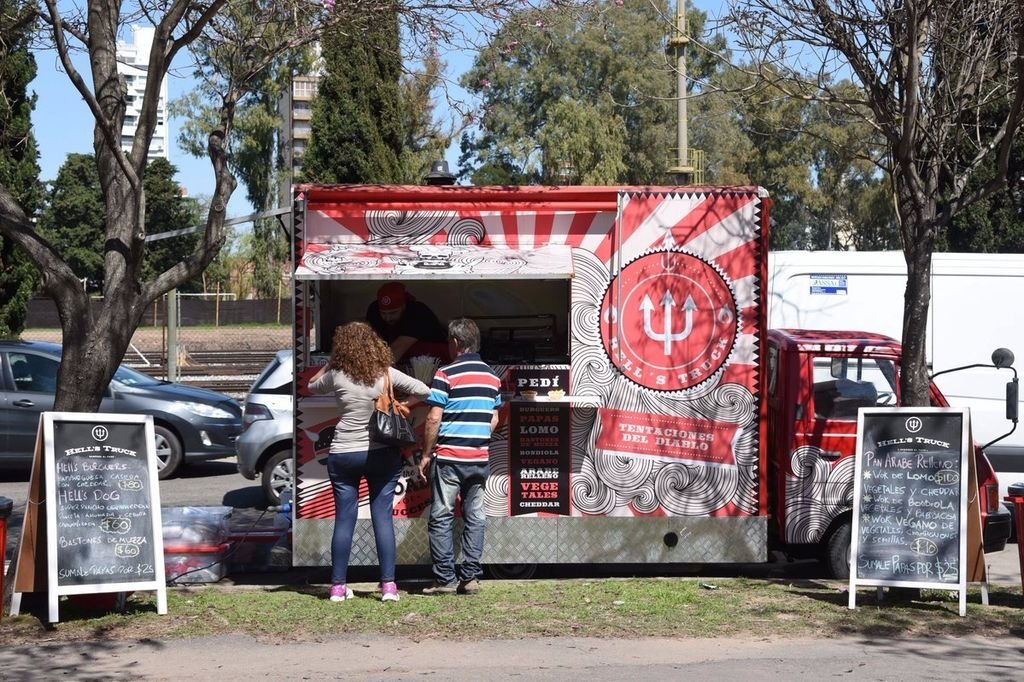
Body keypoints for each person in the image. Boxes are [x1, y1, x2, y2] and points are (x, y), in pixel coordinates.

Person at [308, 321, 430, 603]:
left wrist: (330, 362)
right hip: (381, 453)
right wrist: (404, 405)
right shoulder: (385, 373)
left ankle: (338, 587)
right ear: (375, 346)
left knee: (344, 520)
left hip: (343, 454)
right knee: (382, 519)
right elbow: (424, 390)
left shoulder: (336, 374)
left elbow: (312, 386)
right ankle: (388, 587)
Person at [417, 318, 503, 595]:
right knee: (475, 516)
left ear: (455, 343)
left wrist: (426, 454)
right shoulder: (492, 377)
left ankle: (445, 580)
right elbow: (495, 417)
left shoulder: (445, 374)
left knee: (441, 516)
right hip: (478, 458)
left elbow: (433, 418)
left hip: (450, 458)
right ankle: (471, 578)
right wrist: (477, 436)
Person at [365, 282, 447, 364]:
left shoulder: (418, 313)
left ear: (404, 305)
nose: (388, 318)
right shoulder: (374, 310)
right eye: (383, 313)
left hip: (431, 362)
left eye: (393, 313)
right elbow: (366, 339)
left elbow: (395, 351)